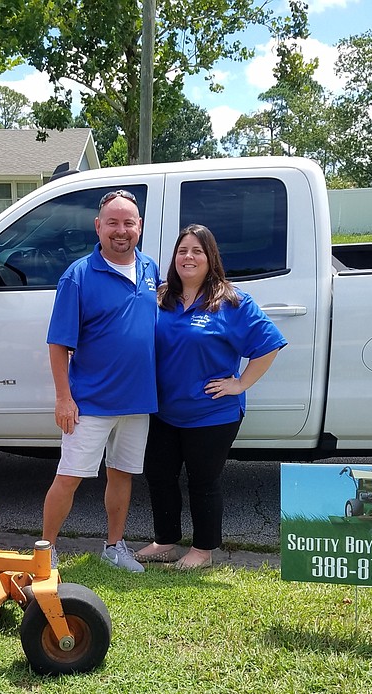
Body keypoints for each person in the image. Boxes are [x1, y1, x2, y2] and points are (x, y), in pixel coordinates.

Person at [135, 224, 286, 570]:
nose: (188, 257)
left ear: (210, 257)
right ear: (174, 258)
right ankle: (165, 542)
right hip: (163, 411)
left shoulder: (232, 301)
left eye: (197, 251)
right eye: (182, 251)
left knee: (203, 482)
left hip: (212, 414)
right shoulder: (160, 299)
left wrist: (240, 383)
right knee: (159, 477)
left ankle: (203, 551)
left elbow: (269, 345)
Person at [41, 190, 160, 572]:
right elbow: (59, 344)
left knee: (121, 475)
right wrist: (64, 399)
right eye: (113, 222)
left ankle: (114, 546)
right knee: (69, 477)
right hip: (89, 401)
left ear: (139, 226)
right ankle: (46, 549)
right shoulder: (77, 276)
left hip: (137, 402)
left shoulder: (150, 269)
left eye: (129, 222)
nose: (121, 230)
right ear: (98, 226)